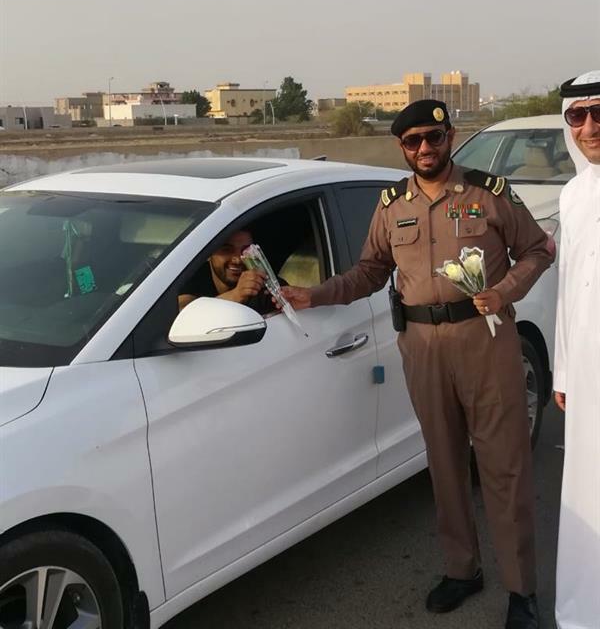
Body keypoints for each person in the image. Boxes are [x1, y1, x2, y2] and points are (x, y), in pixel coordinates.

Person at [282, 99, 554, 629]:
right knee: (445, 462)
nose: (425, 148)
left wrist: (504, 291)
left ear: (449, 136)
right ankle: (462, 570)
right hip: (422, 347)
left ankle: (522, 590)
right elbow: (369, 271)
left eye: (433, 137)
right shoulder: (391, 205)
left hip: (484, 341)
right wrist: (314, 295)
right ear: (402, 148)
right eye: (413, 141)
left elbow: (538, 251)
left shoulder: (488, 193)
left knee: (503, 467)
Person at [553, 71, 600, 629]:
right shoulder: (572, 194)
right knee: (587, 488)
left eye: (599, 113)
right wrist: (562, 370)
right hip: (586, 369)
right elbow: (568, 287)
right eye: (577, 116)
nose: (589, 127)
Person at [178, 228, 278, 315]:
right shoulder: (192, 276)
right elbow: (181, 314)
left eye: (245, 251)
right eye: (227, 250)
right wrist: (236, 295)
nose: (238, 260)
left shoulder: (263, 283)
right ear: (208, 254)